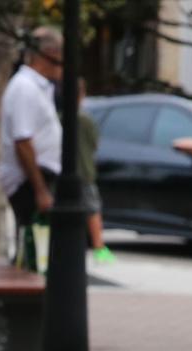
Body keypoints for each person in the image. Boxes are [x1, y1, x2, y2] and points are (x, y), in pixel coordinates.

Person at [0, 26, 63, 257]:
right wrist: (41, 190)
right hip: (30, 180)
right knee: (34, 249)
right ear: (51, 54)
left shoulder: (37, 87)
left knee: (38, 248)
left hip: (37, 177)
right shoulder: (25, 88)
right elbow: (22, 141)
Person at [78, 78, 112, 263]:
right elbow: (95, 144)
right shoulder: (85, 120)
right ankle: (99, 247)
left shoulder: (58, 116)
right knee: (92, 210)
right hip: (85, 171)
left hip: (65, 172)